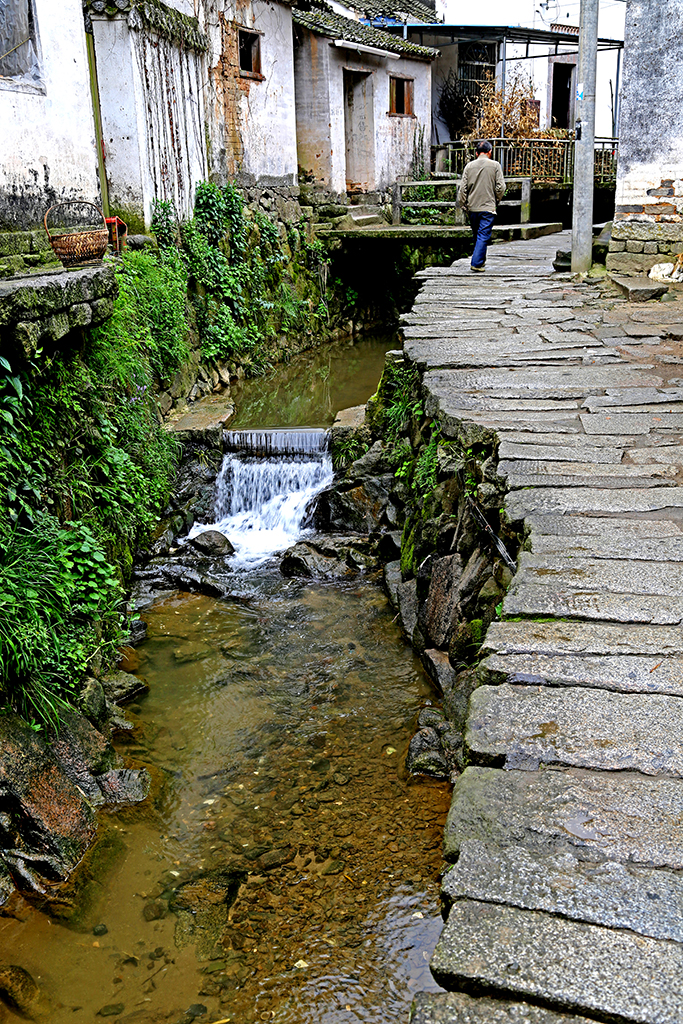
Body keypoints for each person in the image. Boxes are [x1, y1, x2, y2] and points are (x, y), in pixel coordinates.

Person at [457, 141, 506, 272]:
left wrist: (463, 204)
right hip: (488, 207)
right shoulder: (495, 165)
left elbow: (463, 189)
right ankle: (477, 263)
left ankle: (480, 260)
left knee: (477, 235)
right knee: (483, 235)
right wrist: (496, 200)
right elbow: (501, 187)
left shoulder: (469, 166)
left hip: (472, 207)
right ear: (490, 152)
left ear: (477, 153)